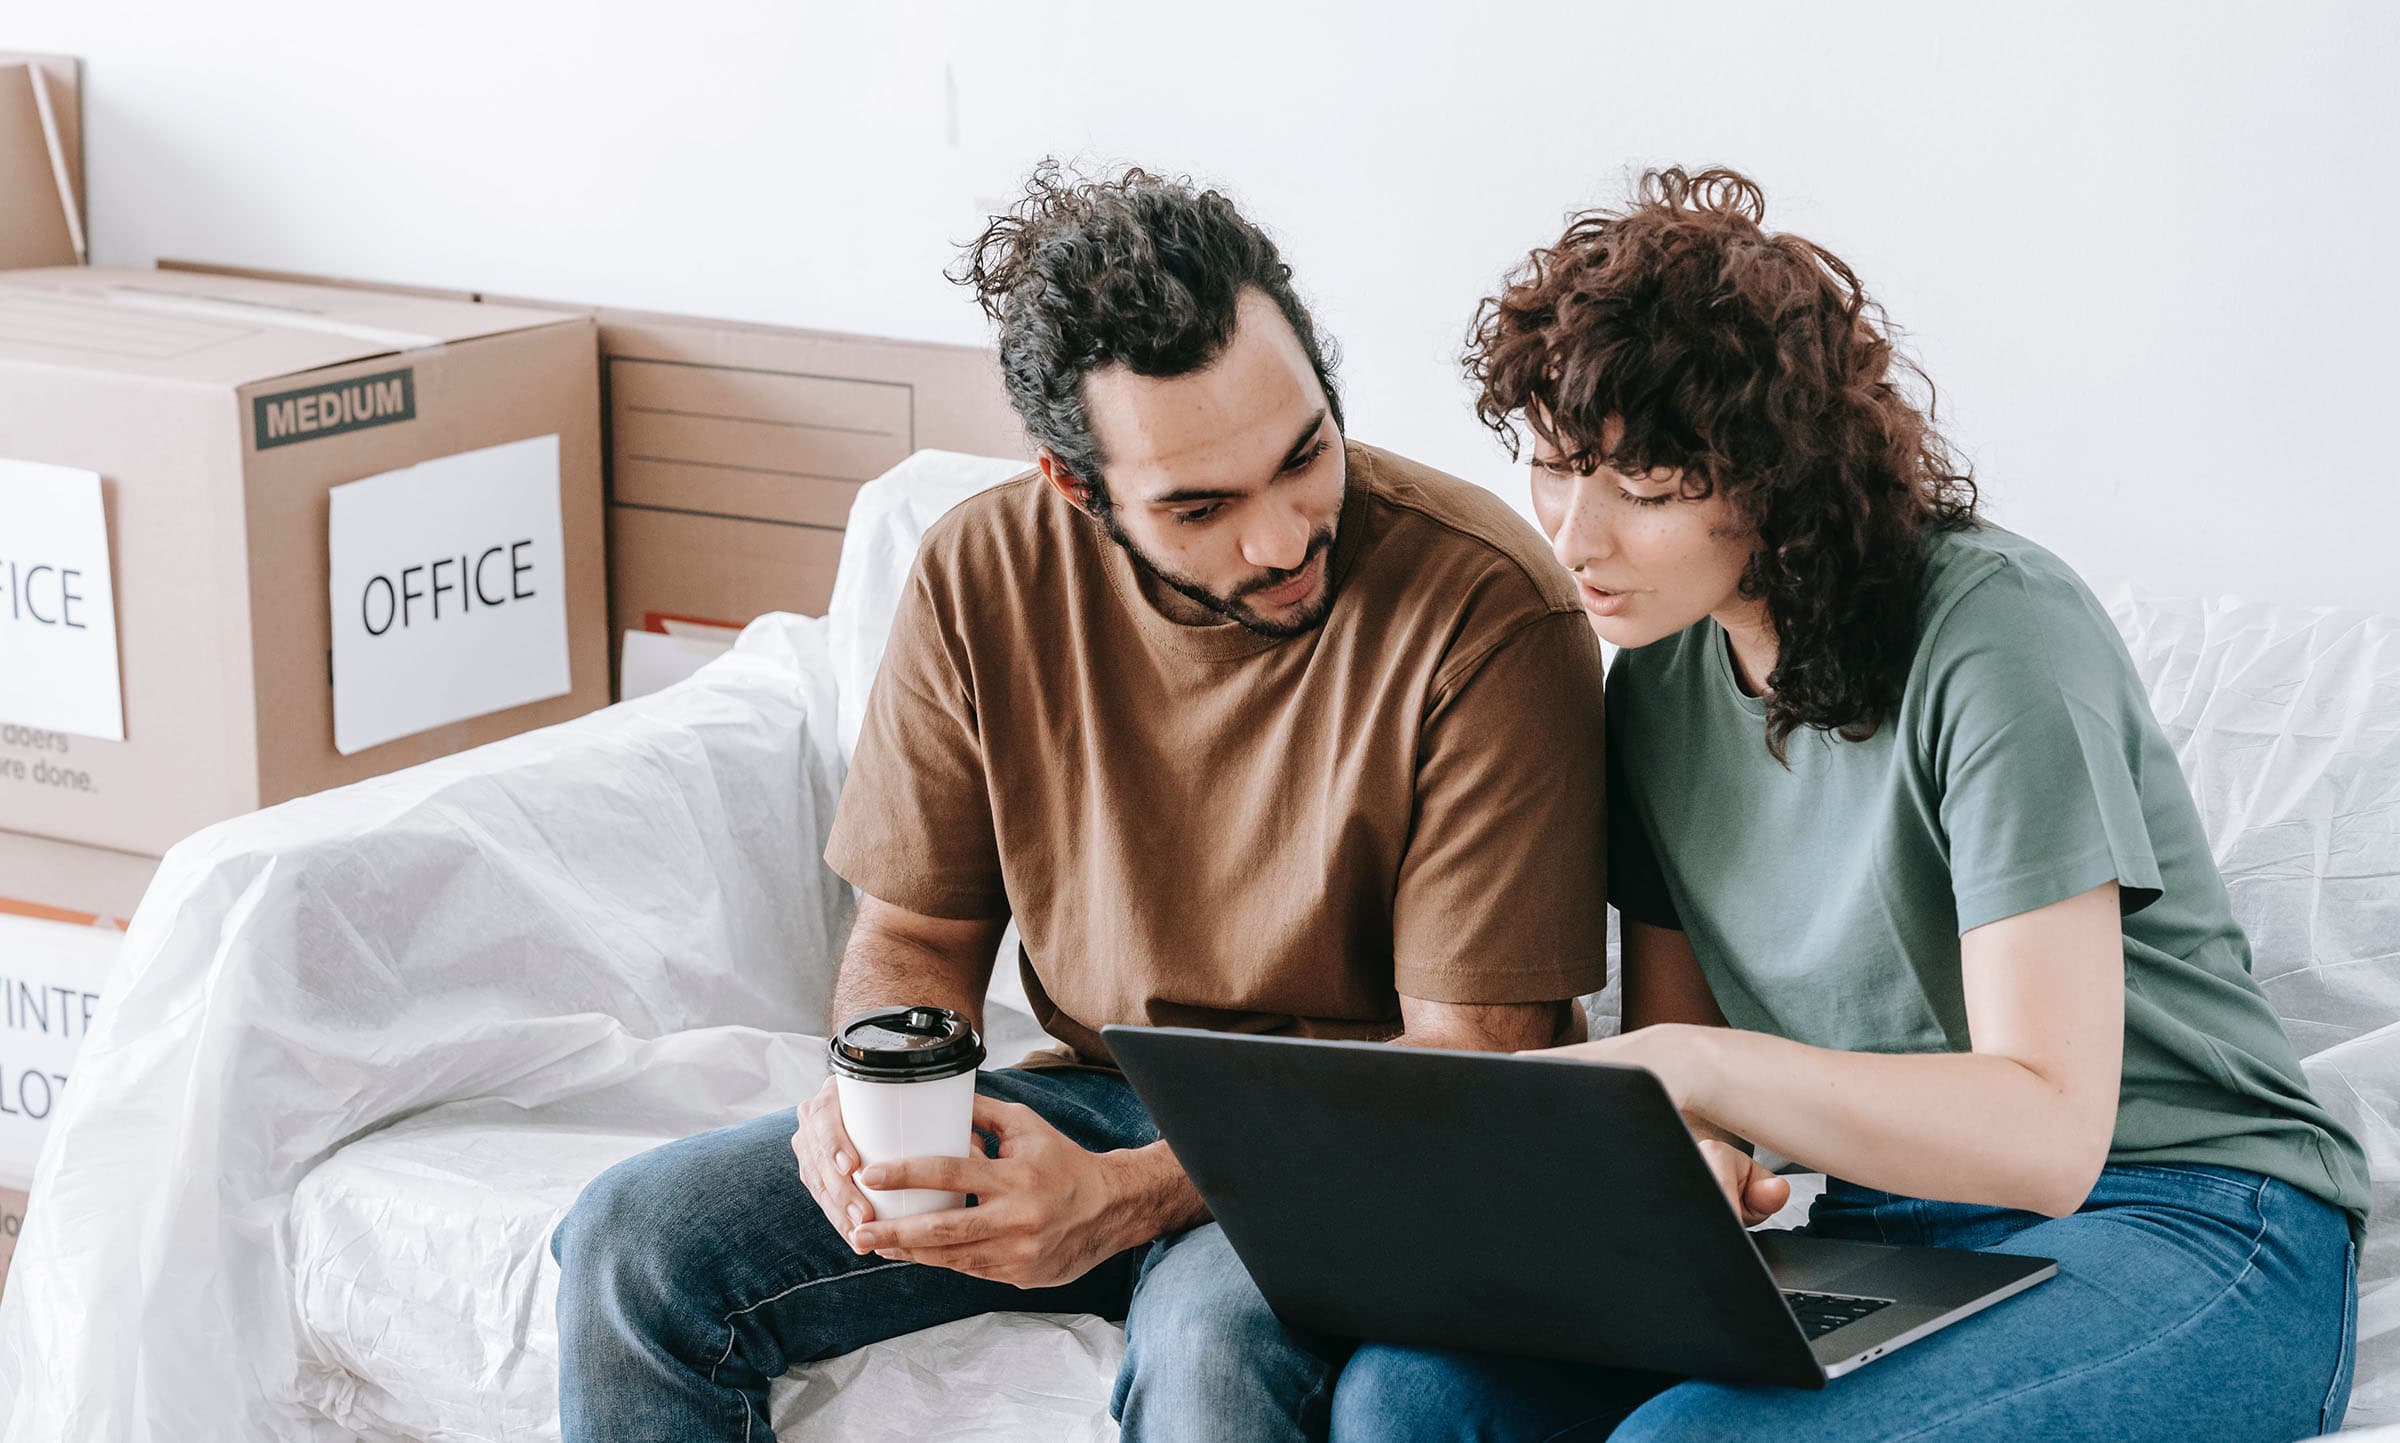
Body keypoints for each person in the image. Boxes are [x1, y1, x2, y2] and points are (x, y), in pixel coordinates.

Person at [548, 162, 1616, 1442]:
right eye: (1200, 507)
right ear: (1077, 487)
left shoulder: (1485, 607)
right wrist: (881, 1105)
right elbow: (918, 936)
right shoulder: (979, 572)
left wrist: (1131, 1197)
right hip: (1101, 1090)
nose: (1280, 537)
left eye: (1305, 456)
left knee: (1214, 1355)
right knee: (630, 1248)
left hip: (1358, 1148)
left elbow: (1478, 1057)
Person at [1324, 166, 2369, 1441]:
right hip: (1887, 1230)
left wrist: (1693, 1067)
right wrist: (1682, 1166)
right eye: (1553, 467)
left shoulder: (1998, 639)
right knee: (1406, 1400)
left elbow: (2048, 1136)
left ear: (1777, 480)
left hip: (2187, 1218)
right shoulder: (1655, 684)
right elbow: (1692, 1100)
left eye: (1645, 491)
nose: (1574, 538)